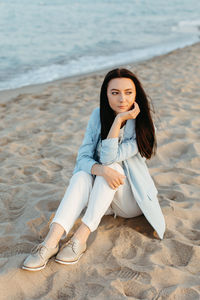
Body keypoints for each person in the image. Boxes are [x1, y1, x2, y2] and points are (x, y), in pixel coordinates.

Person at [22, 68, 166, 271]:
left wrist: (118, 120)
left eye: (128, 92)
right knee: (82, 175)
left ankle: (79, 239)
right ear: (106, 94)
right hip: (103, 197)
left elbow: (109, 158)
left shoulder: (144, 124)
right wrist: (100, 170)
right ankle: (49, 243)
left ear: (136, 95)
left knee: (112, 166)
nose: (122, 98)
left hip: (130, 200)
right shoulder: (97, 115)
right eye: (114, 92)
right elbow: (82, 158)